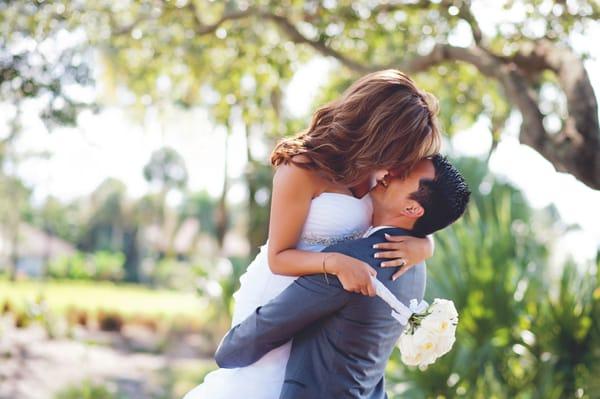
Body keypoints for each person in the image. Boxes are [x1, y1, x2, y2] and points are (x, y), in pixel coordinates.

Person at [183, 70, 441, 399]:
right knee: (265, 383)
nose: (400, 167)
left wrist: (424, 245)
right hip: (283, 285)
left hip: (328, 297)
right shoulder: (301, 168)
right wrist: (334, 263)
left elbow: (406, 217)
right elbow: (279, 257)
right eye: (402, 152)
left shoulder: (379, 175)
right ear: (381, 132)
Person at [215, 155, 471, 399]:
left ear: (412, 207)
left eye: (402, 174)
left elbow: (274, 323)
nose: (388, 172)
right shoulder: (416, 266)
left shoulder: (352, 261)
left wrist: (228, 349)